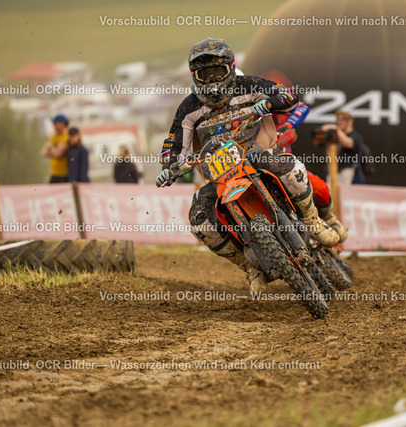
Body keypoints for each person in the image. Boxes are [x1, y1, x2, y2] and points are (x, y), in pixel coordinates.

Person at [156, 38, 339, 292]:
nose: (212, 80)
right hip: (220, 175)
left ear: (230, 69)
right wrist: (170, 166)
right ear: (194, 76)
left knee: (290, 167)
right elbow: (174, 144)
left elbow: (289, 96)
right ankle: (249, 266)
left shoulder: (249, 85)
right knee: (199, 220)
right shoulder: (188, 107)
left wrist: (268, 103)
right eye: (205, 74)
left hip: (255, 157)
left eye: (216, 72)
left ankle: (312, 220)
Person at [274, 103, 348, 242]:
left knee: (320, 188)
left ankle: (327, 218)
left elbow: (301, 107)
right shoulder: (240, 116)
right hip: (255, 169)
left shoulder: (273, 104)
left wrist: (288, 125)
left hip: (286, 166)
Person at [320, 110, 366, 186]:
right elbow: (322, 130)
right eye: (338, 119)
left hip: (347, 173)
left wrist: (336, 129)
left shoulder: (356, 136)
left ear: (350, 122)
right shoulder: (335, 135)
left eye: (343, 119)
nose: (340, 122)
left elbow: (348, 143)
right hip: (332, 171)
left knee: (345, 193)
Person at [43, 114, 70, 183]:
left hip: (64, 176)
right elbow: (45, 153)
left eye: (55, 123)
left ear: (62, 124)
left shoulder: (68, 136)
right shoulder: (56, 136)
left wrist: (51, 149)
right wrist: (53, 150)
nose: (54, 126)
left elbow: (58, 153)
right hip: (54, 174)